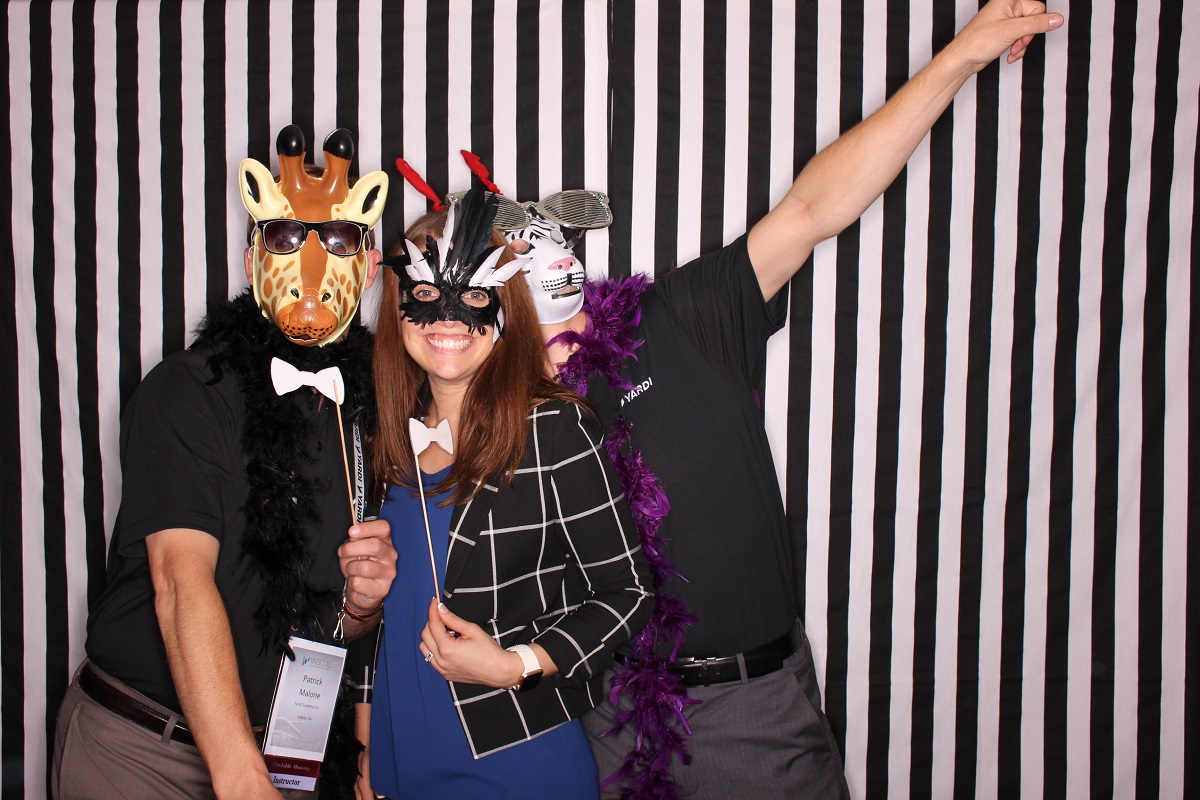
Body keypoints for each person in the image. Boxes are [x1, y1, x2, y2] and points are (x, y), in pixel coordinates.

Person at [521, 2, 1066, 797]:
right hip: (606, 725)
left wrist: (962, 57)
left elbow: (813, 210)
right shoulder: (503, 409)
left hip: (748, 712)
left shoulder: (679, 319)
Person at [51, 126, 398, 800]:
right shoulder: (188, 389)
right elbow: (180, 580)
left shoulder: (367, 409)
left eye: (337, 241)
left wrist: (363, 602)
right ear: (251, 261)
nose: (311, 265)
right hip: (146, 751)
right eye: (285, 239)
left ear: (370, 266)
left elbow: (332, 623)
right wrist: (242, 780)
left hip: (286, 757)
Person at [360, 181, 653, 799]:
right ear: (398, 307)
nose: (448, 319)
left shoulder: (553, 427)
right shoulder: (381, 439)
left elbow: (628, 593)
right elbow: (381, 607)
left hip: (515, 759)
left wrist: (514, 665)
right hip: (397, 760)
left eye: (473, 295)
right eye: (426, 295)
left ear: (503, 308)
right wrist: (368, 748)